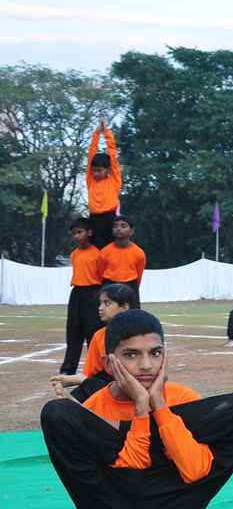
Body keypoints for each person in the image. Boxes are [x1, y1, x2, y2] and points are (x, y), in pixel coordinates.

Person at [40, 309, 233, 509]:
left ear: (165, 356)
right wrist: (140, 409)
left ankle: (129, 428)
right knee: (56, 413)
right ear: (109, 363)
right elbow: (132, 471)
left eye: (155, 353)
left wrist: (158, 405)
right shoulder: (94, 409)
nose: (146, 365)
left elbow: (194, 471)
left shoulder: (183, 399)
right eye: (131, 354)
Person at [51, 283, 135, 403]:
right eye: (100, 303)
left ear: (124, 307)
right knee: (62, 406)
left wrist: (79, 380)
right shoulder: (99, 336)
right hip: (107, 385)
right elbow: (91, 374)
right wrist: (75, 380)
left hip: (136, 384)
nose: (100, 308)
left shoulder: (140, 332)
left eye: (107, 303)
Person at [58, 218, 103, 376]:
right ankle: (68, 369)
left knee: (93, 332)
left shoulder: (98, 254)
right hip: (77, 293)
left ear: (89, 233)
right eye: (74, 233)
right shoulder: (74, 254)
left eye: (80, 232)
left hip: (93, 293)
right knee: (73, 332)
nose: (76, 236)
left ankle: (95, 369)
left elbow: (101, 277)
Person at [86, 118, 122, 248]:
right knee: (96, 249)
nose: (95, 173)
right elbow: (91, 155)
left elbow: (112, 154)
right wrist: (96, 133)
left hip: (110, 218)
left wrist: (106, 132)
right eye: (94, 170)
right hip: (94, 218)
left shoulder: (114, 180)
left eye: (99, 170)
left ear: (108, 170)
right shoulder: (90, 180)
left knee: (112, 249)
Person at [98, 217, 146, 309]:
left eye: (123, 226)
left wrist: (132, 287)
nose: (118, 228)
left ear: (131, 231)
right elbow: (100, 273)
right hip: (109, 286)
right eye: (115, 226)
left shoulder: (139, 253)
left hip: (130, 286)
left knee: (132, 315)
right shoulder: (105, 251)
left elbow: (139, 276)